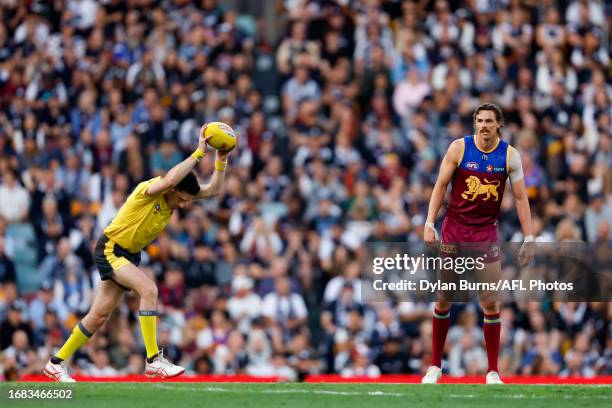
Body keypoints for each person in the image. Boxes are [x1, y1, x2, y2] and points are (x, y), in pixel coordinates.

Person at [44, 125, 233, 382]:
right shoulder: (152, 189)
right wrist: (199, 153)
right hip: (111, 248)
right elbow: (168, 180)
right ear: (174, 190)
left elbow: (214, 190)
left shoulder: (175, 196)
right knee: (149, 290)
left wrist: (221, 161)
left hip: (128, 254)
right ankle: (154, 360)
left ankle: (56, 363)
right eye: (184, 199)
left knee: (98, 315)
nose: (186, 204)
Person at [421, 103, 534, 385]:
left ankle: (493, 371)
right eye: (479, 120)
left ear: (499, 125)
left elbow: (521, 198)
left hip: (485, 233)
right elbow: (440, 185)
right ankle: (435, 366)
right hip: (455, 231)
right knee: (444, 298)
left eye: (488, 121)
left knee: (491, 302)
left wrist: (529, 236)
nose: (483, 125)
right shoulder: (459, 149)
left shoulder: (510, 156)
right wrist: (429, 222)